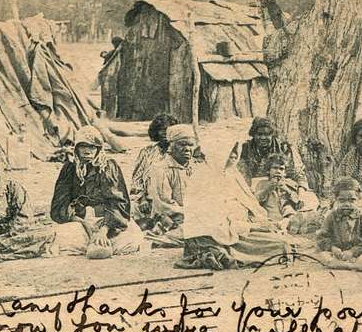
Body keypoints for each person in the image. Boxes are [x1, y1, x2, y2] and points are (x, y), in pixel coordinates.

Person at [148, 125, 294, 270]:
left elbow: (249, 204)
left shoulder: (231, 174)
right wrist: (253, 227)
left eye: (236, 153)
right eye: (229, 153)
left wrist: (261, 222)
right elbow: (214, 222)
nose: (234, 157)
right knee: (279, 246)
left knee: (281, 241)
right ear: (218, 152)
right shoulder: (204, 178)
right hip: (213, 237)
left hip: (232, 231)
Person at [50, 126, 146, 258]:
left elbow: (119, 203)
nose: (87, 151)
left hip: (107, 220)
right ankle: (93, 245)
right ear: (76, 149)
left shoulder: (108, 167)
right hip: (79, 220)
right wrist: (82, 223)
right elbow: (59, 203)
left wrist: (103, 230)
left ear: (99, 149)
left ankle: (99, 244)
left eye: (92, 147)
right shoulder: (69, 168)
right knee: (62, 239)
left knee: (129, 240)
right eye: (83, 146)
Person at [316, 177, 362, 280]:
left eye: (352, 200)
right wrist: (333, 248)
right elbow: (322, 237)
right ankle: (358, 267)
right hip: (339, 255)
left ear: (359, 199)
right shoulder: (331, 216)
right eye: (342, 200)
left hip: (359, 253)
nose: (347, 204)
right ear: (336, 199)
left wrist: (353, 252)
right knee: (323, 257)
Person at [231, 117, 309, 189]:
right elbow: (241, 176)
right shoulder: (245, 149)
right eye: (259, 134)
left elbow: (298, 174)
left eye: (267, 134)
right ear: (253, 134)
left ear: (272, 134)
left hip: (281, 188)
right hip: (255, 188)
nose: (263, 138)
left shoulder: (284, 148)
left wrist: (301, 189)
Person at [130, 114, 179, 228]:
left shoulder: (179, 152)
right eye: (162, 130)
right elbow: (137, 178)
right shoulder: (147, 152)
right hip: (149, 201)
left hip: (172, 201)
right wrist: (142, 199)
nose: (165, 134)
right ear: (156, 132)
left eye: (169, 130)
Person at [253, 154, 305, 232]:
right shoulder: (262, 183)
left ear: (284, 172)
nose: (278, 171)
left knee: (291, 212)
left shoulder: (290, 183)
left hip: (288, 215)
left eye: (281, 169)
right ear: (268, 170)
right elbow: (255, 201)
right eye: (275, 168)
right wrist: (267, 189)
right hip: (271, 215)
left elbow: (298, 203)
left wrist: (287, 189)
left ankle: (289, 223)